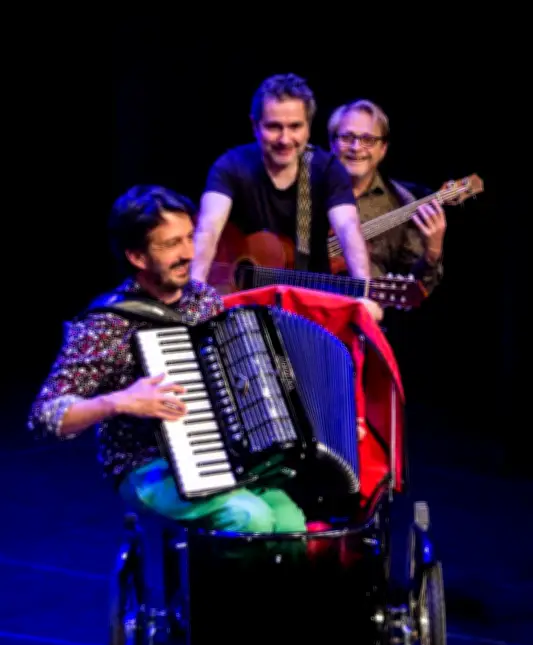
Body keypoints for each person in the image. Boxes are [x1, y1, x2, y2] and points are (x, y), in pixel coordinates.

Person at [27, 185, 307, 537]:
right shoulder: (107, 324)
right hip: (146, 465)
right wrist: (117, 402)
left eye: (189, 238)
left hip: (221, 455)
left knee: (292, 522)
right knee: (250, 518)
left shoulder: (203, 300)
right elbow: (45, 416)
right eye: (172, 244)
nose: (189, 253)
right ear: (137, 257)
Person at [190, 72, 383, 321]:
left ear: (308, 128)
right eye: (273, 127)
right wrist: (194, 292)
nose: (284, 139)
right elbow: (208, 228)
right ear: (254, 126)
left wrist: (363, 291)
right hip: (240, 309)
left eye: (295, 126)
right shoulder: (231, 166)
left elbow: (347, 228)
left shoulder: (327, 169)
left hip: (306, 305)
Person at [327, 99, 446, 295]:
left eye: (368, 140)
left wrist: (432, 253)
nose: (356, 147)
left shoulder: (403, 203)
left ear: (383, 149)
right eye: (347, 137)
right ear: (332, 143)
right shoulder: (307, 190)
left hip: (364, 316)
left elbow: (417, 289)